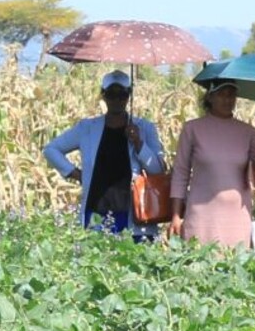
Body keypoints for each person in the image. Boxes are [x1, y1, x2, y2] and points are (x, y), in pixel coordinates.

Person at [42, 70, 166, 241]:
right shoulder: (86, 128)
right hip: (97, 210)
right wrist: (78, 175)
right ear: (103, 96)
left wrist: (138, 142)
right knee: (97, 259)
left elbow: (158, 169)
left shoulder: (144, 128)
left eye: (121, 95)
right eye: (111, 94)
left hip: (135, 211)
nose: (116, 100)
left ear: (129, 96)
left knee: (136, 263)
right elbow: (51, 149)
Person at [171, 81, 255, 248]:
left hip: (237, 220)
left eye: (231, 95)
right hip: (201, 219)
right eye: (221, 94)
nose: (227, 100)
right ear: (210, 97)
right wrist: (175, 215)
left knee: (236, 269)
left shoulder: (248, 132)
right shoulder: (192, 129)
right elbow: (180, 173)